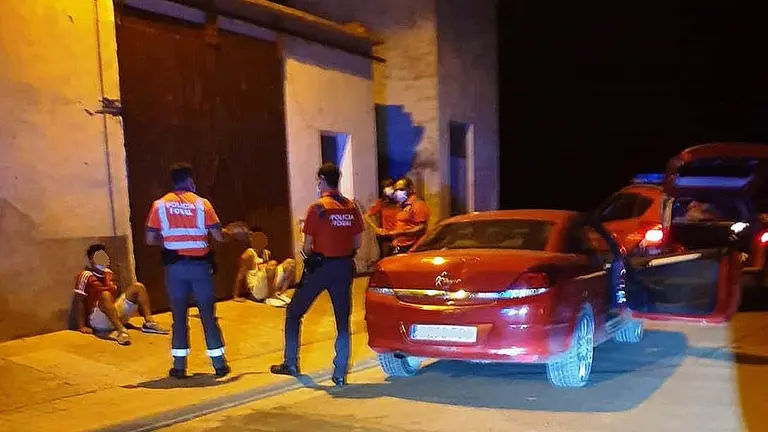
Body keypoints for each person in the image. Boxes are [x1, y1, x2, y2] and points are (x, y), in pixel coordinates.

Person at [145, 162, 246, 379]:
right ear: (190, 180)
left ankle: (179, 367)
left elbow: (150, 238)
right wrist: (232, 233)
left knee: (178, 317)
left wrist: (171, 239)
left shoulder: (159, 205)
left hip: (174, 269)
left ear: (173, 181)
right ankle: (219, 365)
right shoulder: (203, 204)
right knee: (208, 316)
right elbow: (219, 237)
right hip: (200, 268)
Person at [271, 162, 363, 387]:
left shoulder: (318, 209)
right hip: (344, 268)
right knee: (343, 320)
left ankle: (290, 362)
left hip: (320, 268)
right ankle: (340, 373)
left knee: (294, 313)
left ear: (322, 180)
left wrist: (309, 257)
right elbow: (357, 242)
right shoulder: (352, 207)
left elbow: (308, 246)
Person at [73, 244, 169, 345]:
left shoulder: (109, 273)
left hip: (114, 314)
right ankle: (121, 331)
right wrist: (81, 326)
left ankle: (149, 323)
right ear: (91, 260)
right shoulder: (86, 275)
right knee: (105, 295)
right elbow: (79, 300)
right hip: (98, 320)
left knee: (138, 287)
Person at [233, 228, 296, 307]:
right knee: (272, 264)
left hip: (268, 286)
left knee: (290, 262)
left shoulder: (267, 253)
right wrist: (235, 296)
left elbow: (271, 274)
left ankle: (282, 293)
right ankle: (270, 296)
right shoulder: (248, 254)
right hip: (257, 291)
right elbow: (240, 276)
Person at [377, 177, 430, 254]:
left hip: (413, 248)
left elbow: (422, 227)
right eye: (396, 190)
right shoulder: (402, 205)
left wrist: (400, 232)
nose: (398, 192)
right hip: (400, 246)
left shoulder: (417, 204)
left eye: (401, 189)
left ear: (410, 189)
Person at [364, 178, 399, 258]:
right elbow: (366, 215)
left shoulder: (401, 202)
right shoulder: (381, 203)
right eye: (386, 187)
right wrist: (376, 229)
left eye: (390, 186)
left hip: (400, 237)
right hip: (386, 237)